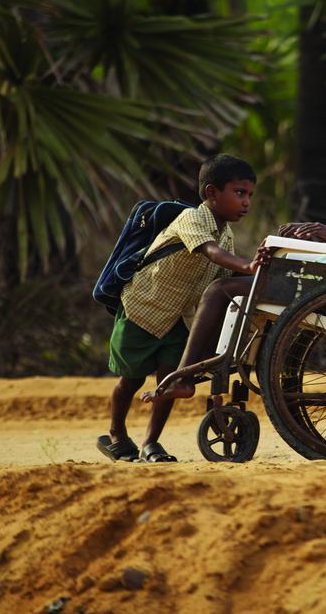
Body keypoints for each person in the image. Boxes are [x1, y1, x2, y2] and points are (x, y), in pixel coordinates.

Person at [142, 147, 326, 404]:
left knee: (220, 290)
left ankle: (185, 374)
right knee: (236, 285)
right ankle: (215, 359)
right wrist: (322, 233)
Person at [97, 154, 270, 463]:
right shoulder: (191, 219)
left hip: (179, 318)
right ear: (212, 193)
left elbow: (224, 276)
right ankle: (116, 435)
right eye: (239, 193)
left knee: (170, 379)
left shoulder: (226, 234)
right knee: (130, 379)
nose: (246, 202)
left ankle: (151, 443)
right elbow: (210, 252)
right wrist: (248, 266)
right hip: (143, 310)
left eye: (249, 195)